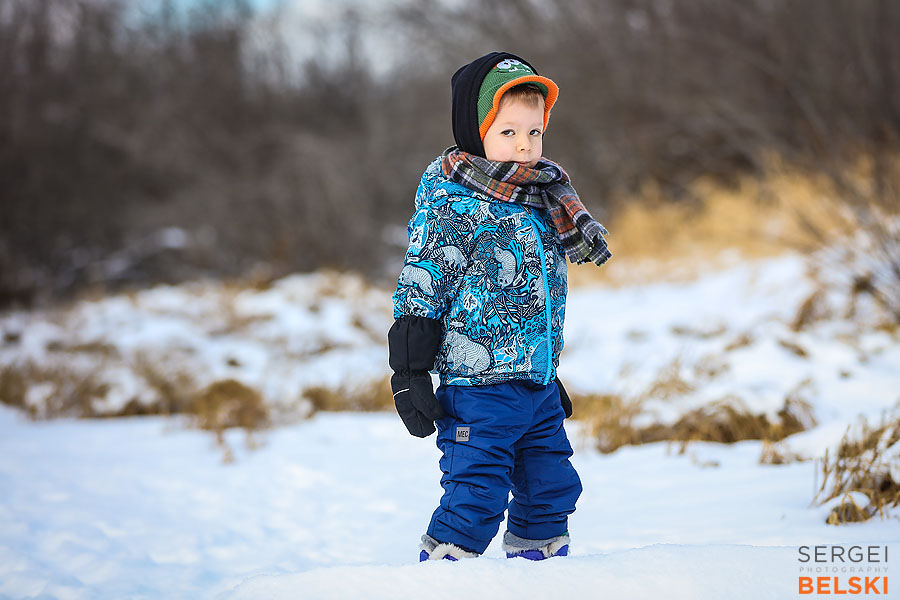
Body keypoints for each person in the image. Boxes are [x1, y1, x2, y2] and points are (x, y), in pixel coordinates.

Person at [388, 51, 611, 562]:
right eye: (508, 132)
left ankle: (539, 572)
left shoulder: (542, 199)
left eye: (534, 132)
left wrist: (544, 368)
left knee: (551, 489)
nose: (525, 145)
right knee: (476, 496)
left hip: (535, 386)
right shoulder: (453, 204)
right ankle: (443, 579)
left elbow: (538, 301)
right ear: (476, 131)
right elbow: (421, 287)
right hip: (477, 392)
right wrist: (410, 372)